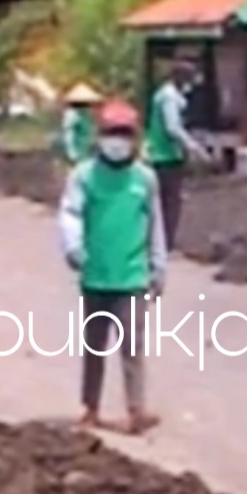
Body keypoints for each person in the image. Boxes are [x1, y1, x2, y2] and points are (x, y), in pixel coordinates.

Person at [58, 97, 168, 435]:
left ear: (134, 137)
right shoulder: (84, 176)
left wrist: (159, 266)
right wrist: (73, 246)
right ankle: (90, 407)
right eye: (111, 133)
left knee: (132, 346)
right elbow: (70, 212)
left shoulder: (145, 179)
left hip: (133, 275)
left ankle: (136, 409)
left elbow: (155, 225)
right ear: (99, 136)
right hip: (95, 274)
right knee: (94, 344)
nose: (117, 141)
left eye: (124, 133)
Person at [143, 59, 207, 250]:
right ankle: (165, 243)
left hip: (159, 154)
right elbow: (173, 128)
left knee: (160, 201)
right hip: (167, 156)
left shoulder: (163, 95)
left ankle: (157, 241)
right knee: (170, 202)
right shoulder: (169, 98)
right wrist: (193, 147)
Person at [59, 83, 101, 164]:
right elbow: (69, 135)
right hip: (78, 154)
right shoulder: (73, 115)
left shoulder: (85, 115)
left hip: (86, 152)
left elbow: (91, 132)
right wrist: (73, 154)